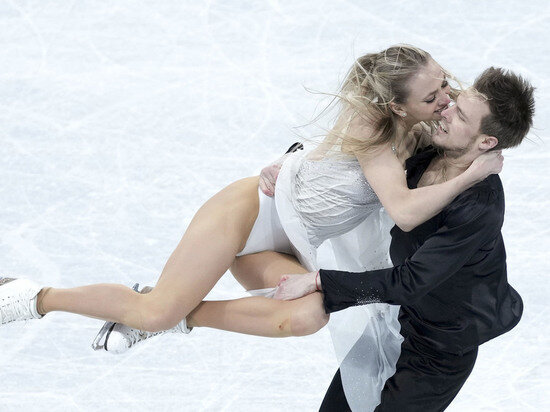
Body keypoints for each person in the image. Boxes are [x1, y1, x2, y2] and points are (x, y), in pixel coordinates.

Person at [0, 45, 499, 390]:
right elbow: (406, 212)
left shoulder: (414, 126)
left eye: (446, 86)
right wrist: (472, 174)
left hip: (292, 244)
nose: (447, 101)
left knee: (304, 316)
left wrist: (294, 156)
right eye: (434, 96)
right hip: (251, 216)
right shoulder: (376, 128)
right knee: (153, 312)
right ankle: (30, 297)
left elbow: (332, 159)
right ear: (395, 103)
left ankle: (172, 313)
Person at [274, 67, 535, 411]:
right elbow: (358, 143)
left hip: (440, 349)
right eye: (455, 102)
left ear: (487, 142)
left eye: (460, 116)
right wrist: (291, 161)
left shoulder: (478, 206)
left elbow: (411, 282)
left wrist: (320, 281)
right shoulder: (429, 150)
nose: (445, 110)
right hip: (396, 317)